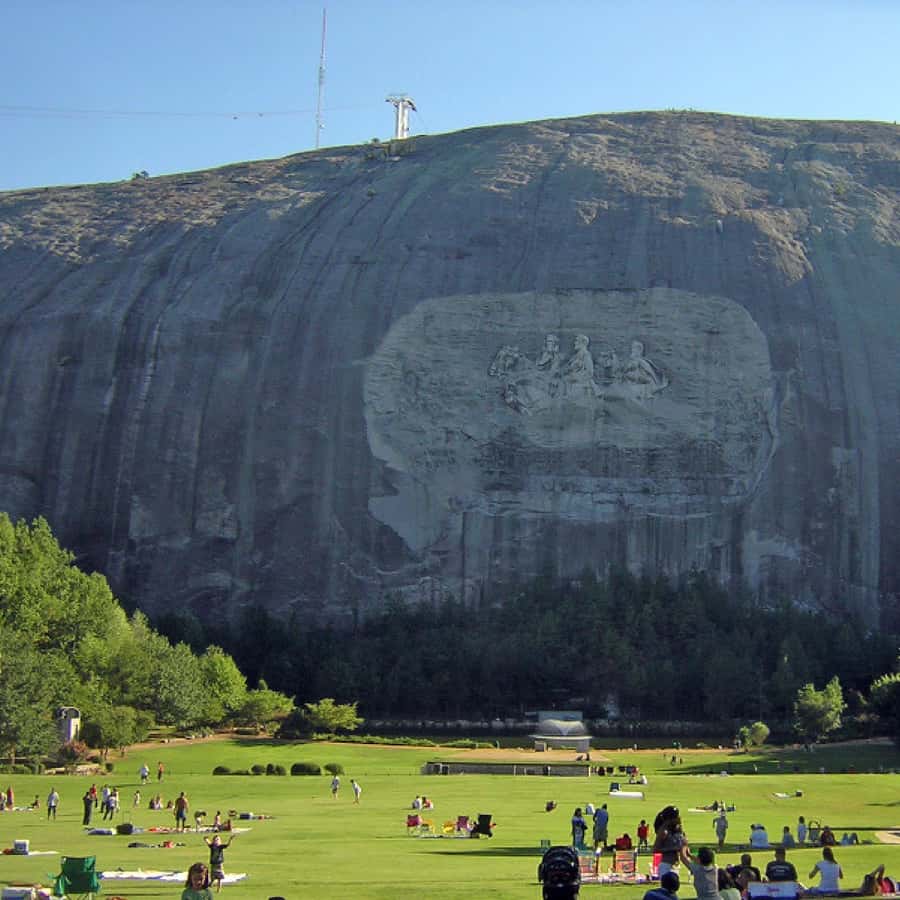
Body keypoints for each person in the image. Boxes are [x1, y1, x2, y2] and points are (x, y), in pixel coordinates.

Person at [654, 806, 687, 879]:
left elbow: (684, 847)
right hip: (666, 866)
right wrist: (671, 849)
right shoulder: (664, 832)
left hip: (676, 866)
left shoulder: (678, 831)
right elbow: (655, 849)